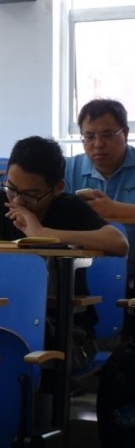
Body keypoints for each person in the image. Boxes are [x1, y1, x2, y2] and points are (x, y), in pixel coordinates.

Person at [0, 136, 129, 358]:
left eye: (31, 195)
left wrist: (44, 233)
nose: (17, 201)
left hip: (64, 328)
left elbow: (119, 243)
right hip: (0, 317)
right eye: (11, 188)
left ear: (57, 188)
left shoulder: (68, 207)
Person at [64, 98, 135, 323]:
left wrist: (116, 209)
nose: (98, 144)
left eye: (107, 135)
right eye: (89, 136)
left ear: (125, 132)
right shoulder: (68, 169)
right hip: (78, 270)